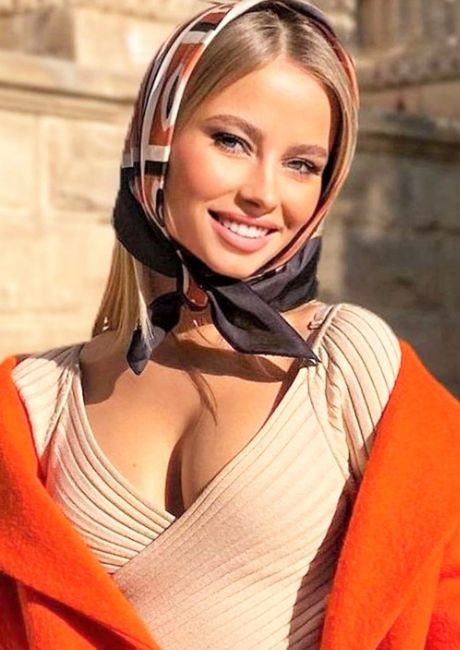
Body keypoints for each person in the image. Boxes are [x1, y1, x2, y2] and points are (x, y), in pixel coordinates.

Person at [0, 1, 459, 648]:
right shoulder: (37, 402)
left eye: (302, 164)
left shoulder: (349, 366)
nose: (263, 193)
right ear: (156, 141)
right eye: (231, 141)